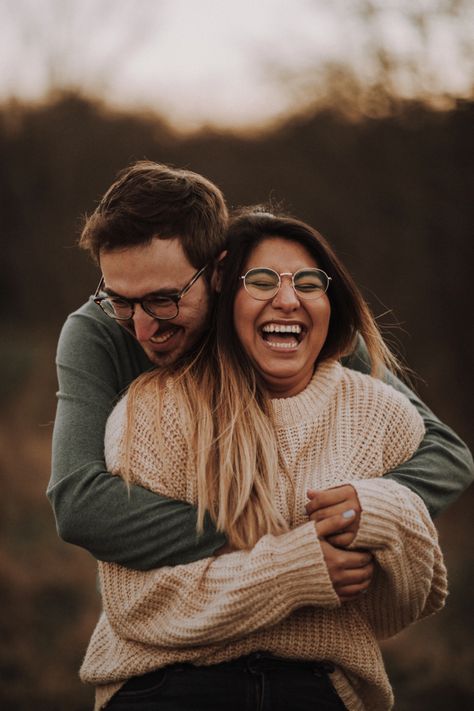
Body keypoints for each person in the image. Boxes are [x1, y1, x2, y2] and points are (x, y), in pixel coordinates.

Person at [79, 209, 447, 710]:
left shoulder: (382, 414)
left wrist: (385, 511)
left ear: (330, 301)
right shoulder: (155, 410)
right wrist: (292, 571)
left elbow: (399, 609)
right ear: (225, 298)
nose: (289, 299)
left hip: (317, 685)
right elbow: (136, 606)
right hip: (168, 682)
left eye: (309, 282)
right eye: (263, 281)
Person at [48, 160, 473, 576]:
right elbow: (79, 503)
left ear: (218, 272)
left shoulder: (286, 319)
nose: (140, 328)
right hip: (171, 597)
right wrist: (284, 543)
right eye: (120, 300)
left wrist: (374, 504)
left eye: (163, 299)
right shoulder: (94, 332)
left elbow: (447, 455)